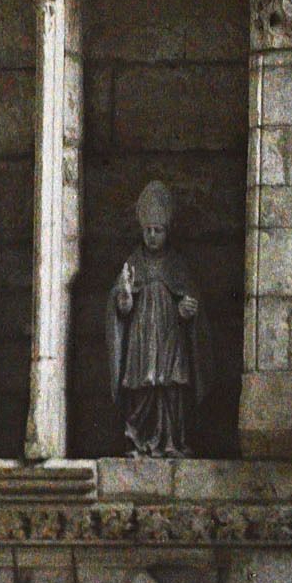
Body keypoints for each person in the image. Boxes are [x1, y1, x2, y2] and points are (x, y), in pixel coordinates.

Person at [106, 180, 207, 457]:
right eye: (148, 230)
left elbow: (191, 299)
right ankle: (140, 440)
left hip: (170, 334)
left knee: (172, 385)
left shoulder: (177, 264)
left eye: (158, 230)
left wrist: (187, 309)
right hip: (142, 336)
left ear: (167, 231)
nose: (152, 236)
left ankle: (172, 441)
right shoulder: (133, 263)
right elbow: (120, 307)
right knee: (142, 385)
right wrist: (124, 297)